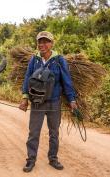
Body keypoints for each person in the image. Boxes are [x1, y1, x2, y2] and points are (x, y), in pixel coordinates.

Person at [19, 31, 77, 172]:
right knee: (33, 133)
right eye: (40, 41)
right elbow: (28, 78)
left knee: (54, 133)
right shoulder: (34, 60)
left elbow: (66, 80)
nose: (42, 44)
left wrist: (72, 100)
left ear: (52, 43)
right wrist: (25, 98)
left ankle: (53, 159)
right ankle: (31, 160)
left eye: (45, 41)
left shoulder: (58, 60)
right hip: (37, 102)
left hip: (54, 102)